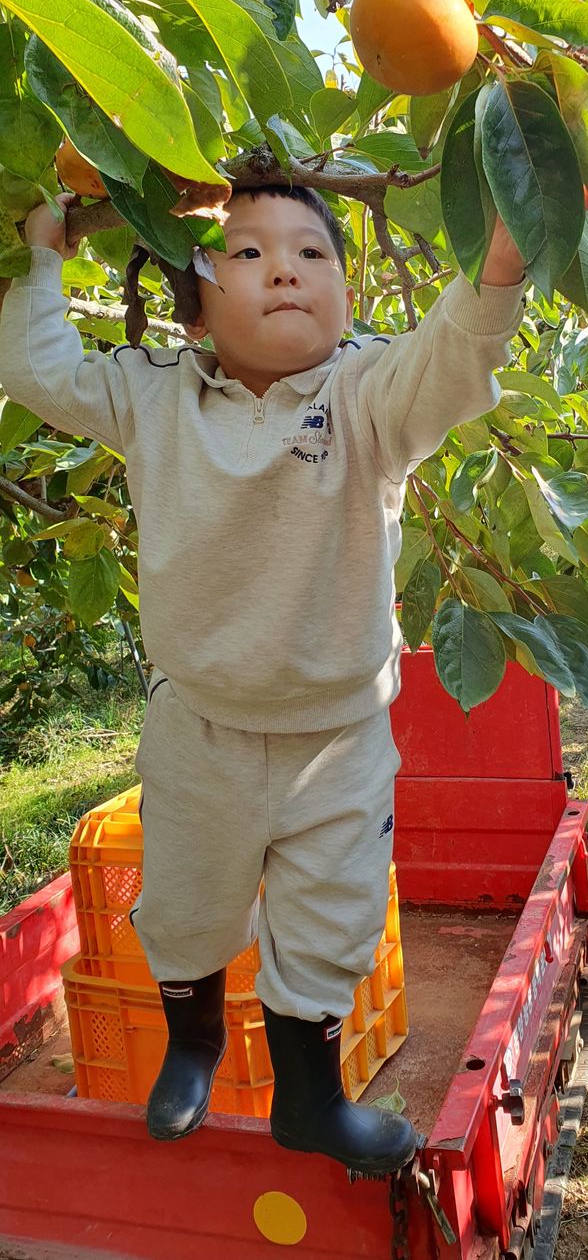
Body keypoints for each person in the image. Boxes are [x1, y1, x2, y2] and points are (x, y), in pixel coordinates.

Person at [0, 179, 525, 1175]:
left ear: (344, 293)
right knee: (187, 904)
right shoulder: (154, 395)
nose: (285, 269)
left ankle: (310, 1099)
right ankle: (193, 1043)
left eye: (312, 253)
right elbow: (35, 366)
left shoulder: (367, 393)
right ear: (194, 307)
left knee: (330, 917)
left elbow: (452, 358)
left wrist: (500, 262)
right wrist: (41, 254)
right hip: (201, 728)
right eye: (246, 252)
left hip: (339, 738)